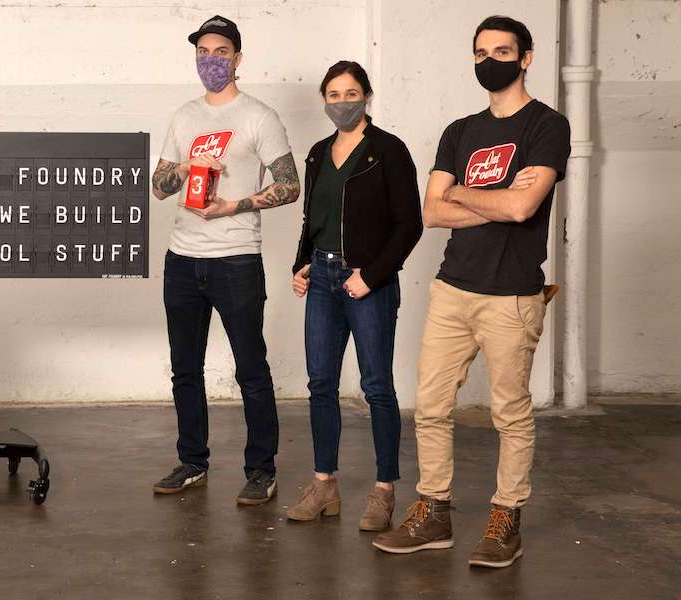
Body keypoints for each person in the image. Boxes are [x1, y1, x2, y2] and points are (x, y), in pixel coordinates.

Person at [372, 15, 570, 569]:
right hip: (452, 290)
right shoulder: (460, 131)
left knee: (510, 412)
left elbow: (523, 208)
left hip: (511, 295)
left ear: (526, 57)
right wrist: (492, 195)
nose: (490, 61)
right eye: (481, 53)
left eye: (502, 51)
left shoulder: (547, 127)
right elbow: (432, 212)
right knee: (431, 408)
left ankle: (506, 519)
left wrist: (466, 190)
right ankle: (433, 512)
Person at [150, 15, 300, 506]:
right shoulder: (183, 116)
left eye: (220, 52)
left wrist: (235, 204)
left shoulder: (259, 116)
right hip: (183, 258)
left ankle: (261, 469)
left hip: (236, 260)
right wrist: (190, 167)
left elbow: (290, 185)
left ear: (237, 58)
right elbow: (159, 187)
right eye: (202, 52)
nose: (210, 60)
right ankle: (193, 461)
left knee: (250, 369)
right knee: (184, 369)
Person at [284, 61, 422, 531]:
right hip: (321, 277)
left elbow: (410, 224)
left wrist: (374, 275)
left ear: (367, 95)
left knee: (377, 387)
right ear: (324, 100)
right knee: (320, 383)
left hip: (367, 281)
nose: (342, 102)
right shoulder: (318, 152)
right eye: (334, 94)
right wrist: (301, 265)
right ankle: (324, 485)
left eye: (351, 93)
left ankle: (384, 491)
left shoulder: (388, 151)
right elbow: (313, 219)